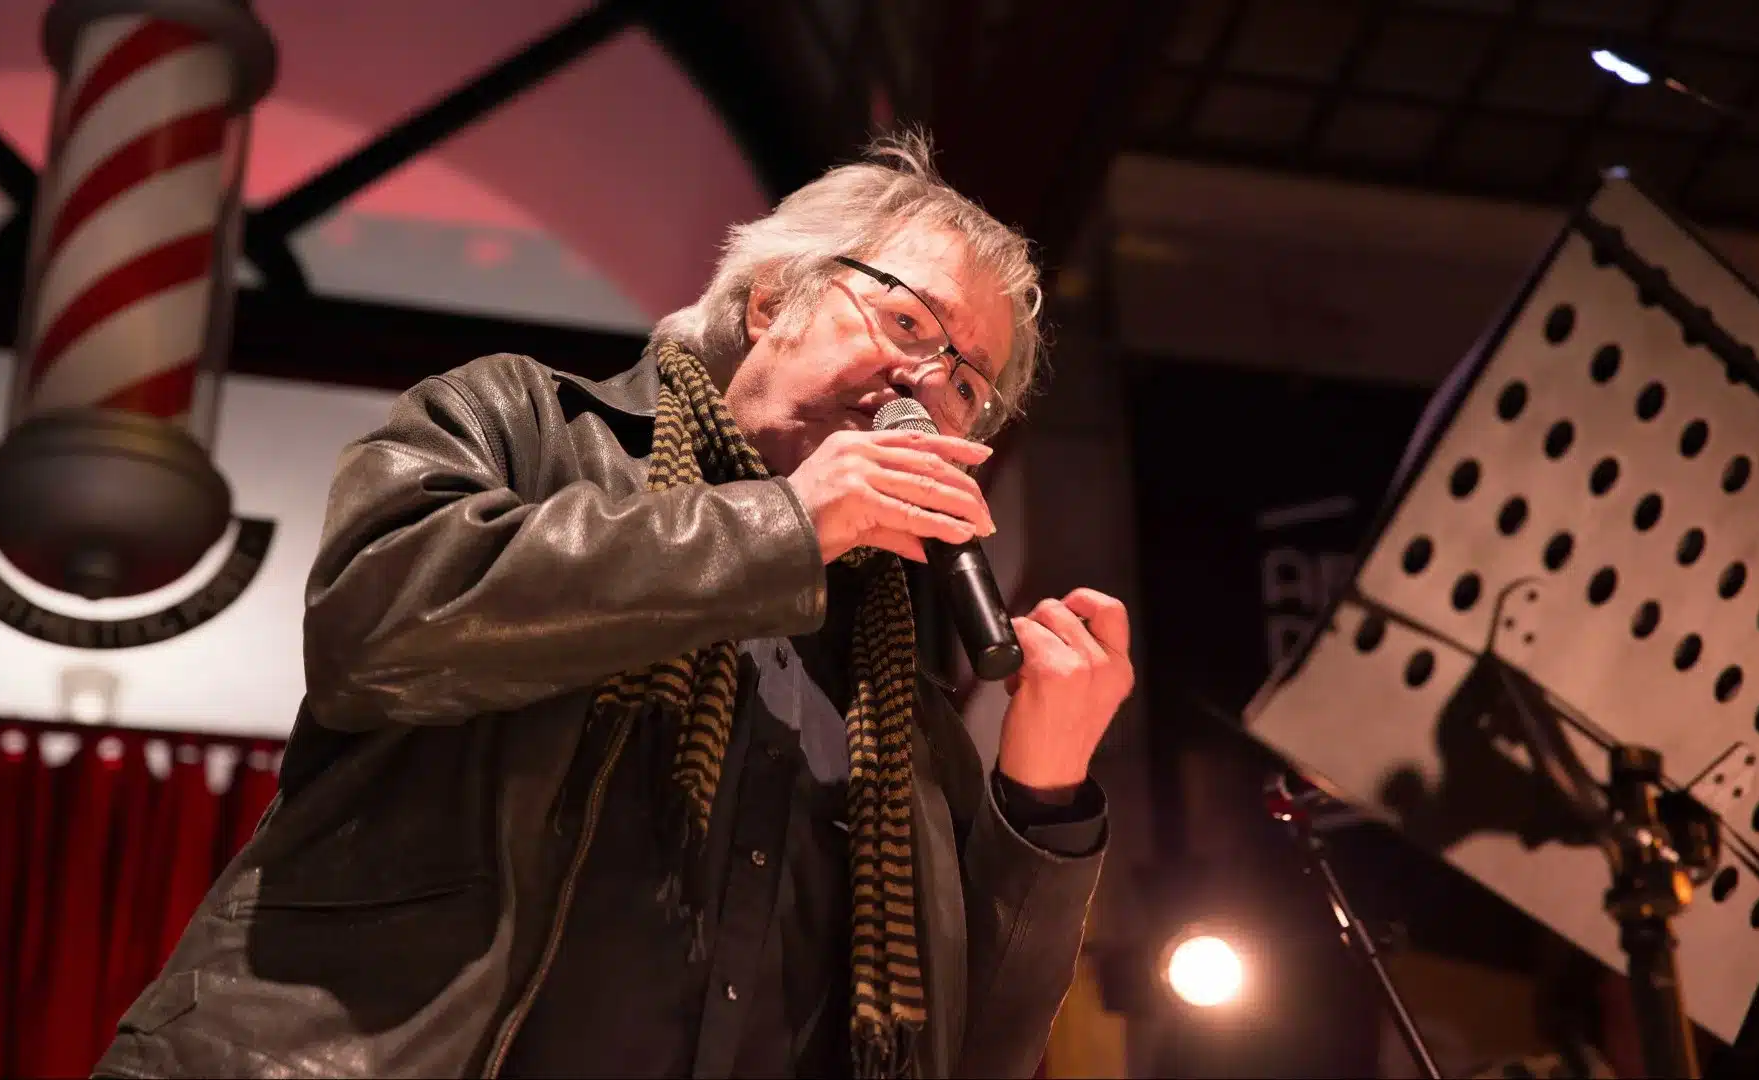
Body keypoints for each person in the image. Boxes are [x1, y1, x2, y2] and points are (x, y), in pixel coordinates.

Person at [96, 131, 1133, 1080]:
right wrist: (781, 525)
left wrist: (1042, 789)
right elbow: (377, 625)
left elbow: (966, 1056)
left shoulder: (891, 672)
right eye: (909, 321)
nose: (924, 380)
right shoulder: (525, 425)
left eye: (967, 383)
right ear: (773, 300)